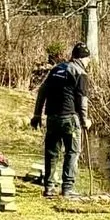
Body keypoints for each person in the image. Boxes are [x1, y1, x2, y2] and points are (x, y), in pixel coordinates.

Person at [31, 43, 92, 198]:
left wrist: (37, 115)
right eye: (88, 59)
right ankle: (67, 188)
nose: (88, 62)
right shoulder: (80, 73)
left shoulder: (56, 69)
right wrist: (85, 120)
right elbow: (82, 101)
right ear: (83, 58)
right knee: (72, 152)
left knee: (52, 152)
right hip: (70, 119)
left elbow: (42, 91)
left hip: (52, 117)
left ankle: (49, 187)